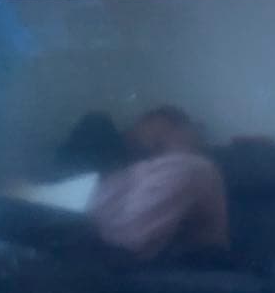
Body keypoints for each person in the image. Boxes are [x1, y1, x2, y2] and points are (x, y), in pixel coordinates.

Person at [62, 106, 230, 263]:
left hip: (187, 268)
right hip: (129, 261)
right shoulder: (138, 169)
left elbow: (129, 237)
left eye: (159, 138)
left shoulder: (192, 166)